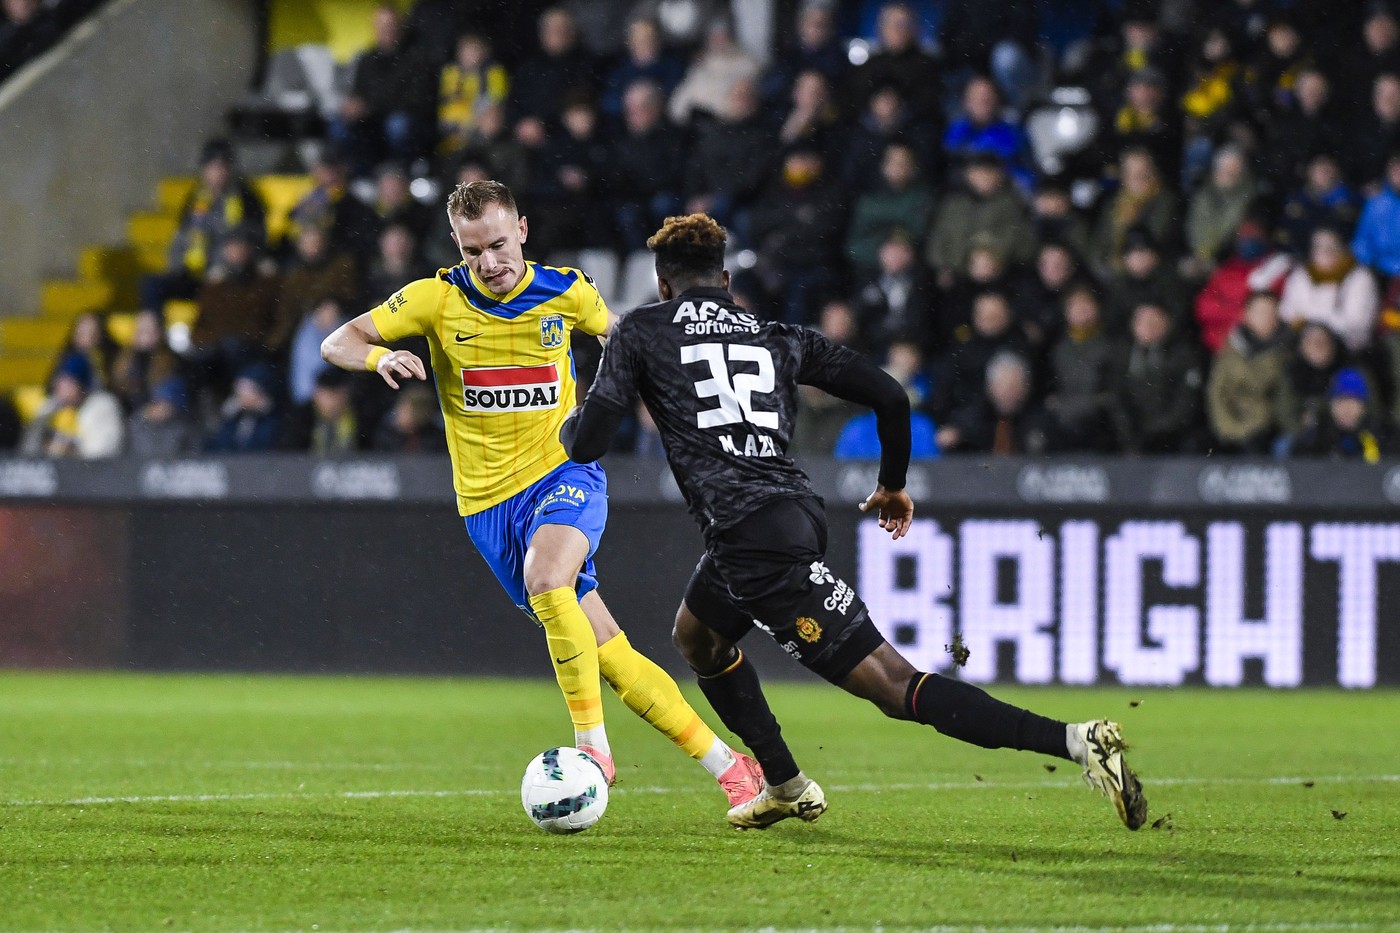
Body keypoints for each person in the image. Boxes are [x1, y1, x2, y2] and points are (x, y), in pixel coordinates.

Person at [561, 213, 1148, 831]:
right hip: (787, 516)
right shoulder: (777, 334)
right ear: (727, 279)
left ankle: (1078, 742)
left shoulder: (643, 330)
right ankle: (785, 783)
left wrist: (571, 416)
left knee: (897, 687)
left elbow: (590, 442)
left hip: (752, 540)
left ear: (662, 284)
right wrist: (892, 485)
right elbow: (891, 395)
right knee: (698, 636)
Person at [318, 180, 764, 815]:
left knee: (546, 576)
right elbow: (339, 341)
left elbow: (621, 336)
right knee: (608, 651)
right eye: (474, 251)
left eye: (499, 244)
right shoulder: (433, 301)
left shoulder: (567, 290)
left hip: (564, 475)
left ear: (522, 230)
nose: (490, 263)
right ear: (457, 246)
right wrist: (378, 358)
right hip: (487, 509)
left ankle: (592, 747)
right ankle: (730, 766)